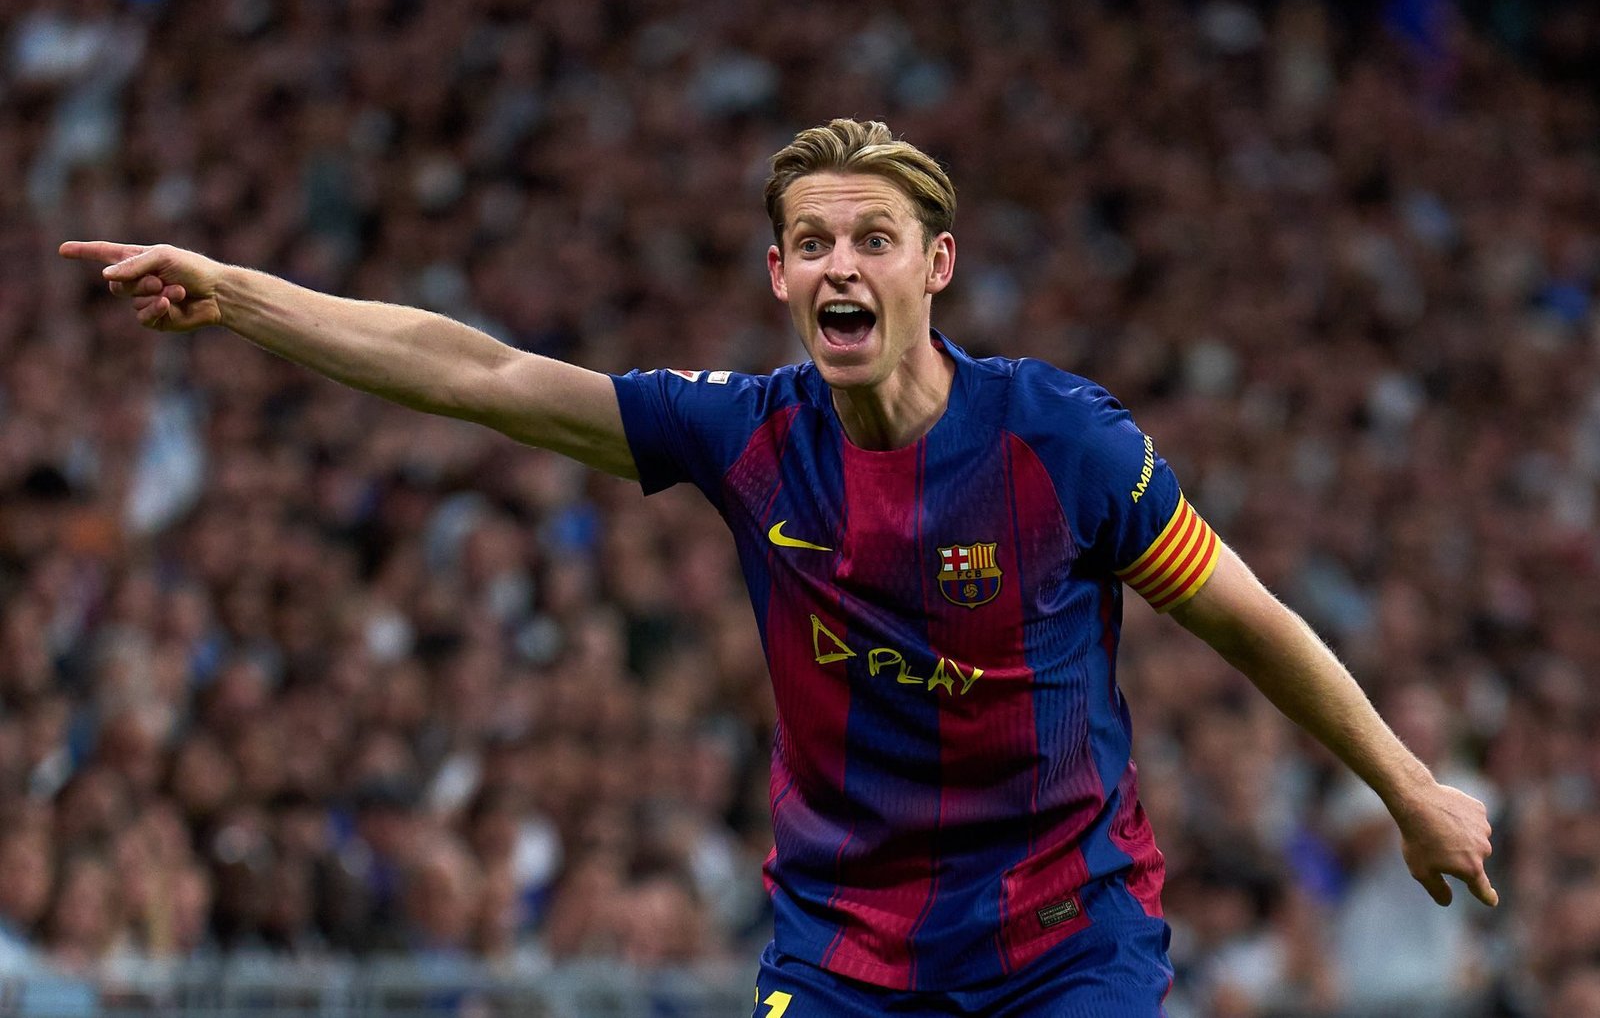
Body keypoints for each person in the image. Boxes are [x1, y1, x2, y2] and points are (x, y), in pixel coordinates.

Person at [61, 118, 1496, 1015]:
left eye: (873, 238)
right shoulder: (745, 436)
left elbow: (1248, 621)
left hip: (1066, 940)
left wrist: (1409, 789)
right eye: (812, 243)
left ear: (937, 265)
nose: (839, 265)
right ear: (780, 277)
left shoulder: (1060, 441)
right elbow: (482, 374)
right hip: (843, 953)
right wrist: (243, 297)